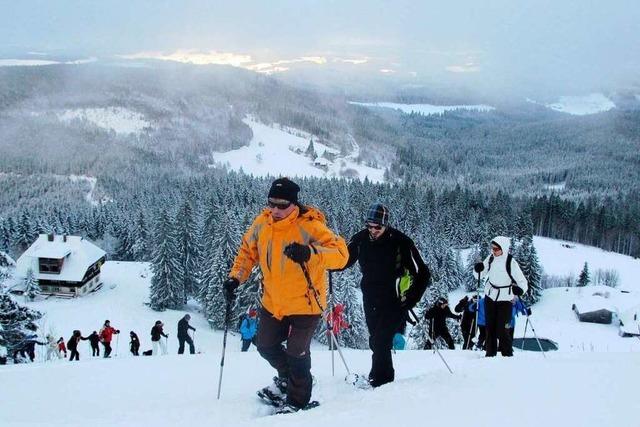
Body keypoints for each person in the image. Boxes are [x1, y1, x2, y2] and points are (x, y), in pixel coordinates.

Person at [223, 177, 348, 413]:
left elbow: (341, 254)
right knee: (265, 345)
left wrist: (310, 253)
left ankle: (297, 399)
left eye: (282, 205)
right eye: (271, 203)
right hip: (273, 302)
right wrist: (235, 278)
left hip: (306, 303)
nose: (275, 210)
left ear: (294, 203)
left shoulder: (309, 226)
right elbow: (247, 253)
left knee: (296, 352)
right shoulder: (262, 223)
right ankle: (286, 379)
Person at [341, 203, 430, 388]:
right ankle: (381, 379)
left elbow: (422, 273)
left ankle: (381, 380)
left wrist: (411, 299)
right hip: (370, 297)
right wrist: (326, 263)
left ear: (385, 225)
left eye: (377, 227)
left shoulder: (401, 242)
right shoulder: (360, 239)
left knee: (381, 339)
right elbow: (344, 261)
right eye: (369, 226)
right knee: (375, 339)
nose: (373, 230)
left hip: (395, 299)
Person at [474, 236, 528, 357]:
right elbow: (480, 274)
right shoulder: (491, 258)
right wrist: (477, 270)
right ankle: (490, 354)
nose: (493, 251)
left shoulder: (510, 262)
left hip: (505, 300)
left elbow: (523, 282)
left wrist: (520, 290)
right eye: (492, 248)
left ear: (503, 248)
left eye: (496, 249)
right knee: (490, 328)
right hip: (490, 296)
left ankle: (507, 355)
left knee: (503, 329)